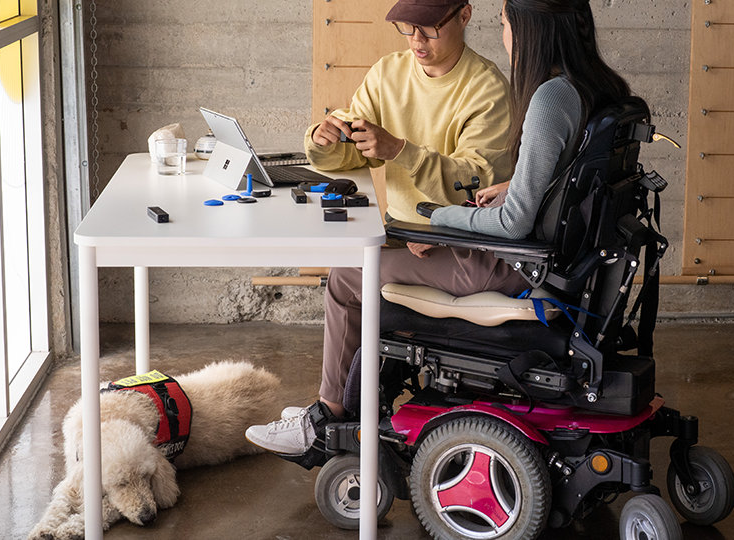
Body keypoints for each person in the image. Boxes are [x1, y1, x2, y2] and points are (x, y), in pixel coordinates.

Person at [246, 0, 632, 456]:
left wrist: (431, 221)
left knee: (348, 276)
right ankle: (344, 401)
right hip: (536, 253)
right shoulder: (597, 89)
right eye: (408, 30)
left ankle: (329, 413)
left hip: (510, 260)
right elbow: (565, 182)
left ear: (530, 31)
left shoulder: (539, 97)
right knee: (365, 263)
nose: (417, 42)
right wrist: (322, 139)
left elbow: (511, 222)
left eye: (506, 25)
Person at [305, 0, 515, 222]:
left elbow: (476, 190)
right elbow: (355, 152)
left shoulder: (489, 90)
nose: (417, 39)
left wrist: (399, 150)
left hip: (458, 232)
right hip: (397, 223)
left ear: (464, 16)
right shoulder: (387, 72)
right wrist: (323, 141)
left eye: (430, 26)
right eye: (408, 24)